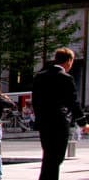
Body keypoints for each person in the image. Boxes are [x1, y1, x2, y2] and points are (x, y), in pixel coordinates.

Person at [32, 48, 89, 180]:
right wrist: (83, 123)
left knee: (48, 156)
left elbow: (35, 101)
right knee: (56, 157)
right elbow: (73, 102)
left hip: (44, 122)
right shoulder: (66, 78)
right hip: (59, 122)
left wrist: (40, 118)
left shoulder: (40, 76)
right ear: (69, 61)